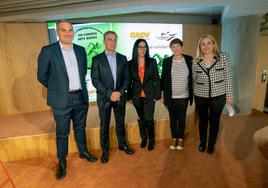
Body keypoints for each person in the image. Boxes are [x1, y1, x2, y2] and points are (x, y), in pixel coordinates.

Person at [37, 20, 97, 180]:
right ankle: (62, 162)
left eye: (70, 30)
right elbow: (41, 76)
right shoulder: (48, 51)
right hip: (61, 100)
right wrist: (58, 88)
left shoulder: (81, 50)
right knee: (62, 133)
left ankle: (83, 151)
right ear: (57, 32)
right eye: (64, 30)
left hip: (80, 97)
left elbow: (83, 71)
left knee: (80, 128)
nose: (68, 33)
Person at [91, 31, 134, 164]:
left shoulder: (122, 58)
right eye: (109, 39)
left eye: (115, 40)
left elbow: (127, 78)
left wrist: (119, 92)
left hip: (120, 97)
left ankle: (123, 144)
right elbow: (95, 80)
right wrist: (110, 93)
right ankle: (105, 150)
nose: (112, 42)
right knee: (104, 126)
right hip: (104, 98)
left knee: (120, 123)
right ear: (104, 41)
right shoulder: (96, 59)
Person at [192, 34, 233, 154]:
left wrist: (229, 95)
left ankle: (211, 144)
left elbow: (228, 77)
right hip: (200, 96)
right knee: (203, 120)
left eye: (209, 43)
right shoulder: (195, 61)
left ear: (214, 44)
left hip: (218, 96)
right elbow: (193, 78)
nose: (206, 46)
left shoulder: (223, 57)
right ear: (200, 46)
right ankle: (203, 142)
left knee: (215, 120)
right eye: (203, 44)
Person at [128, 39, 161, 151]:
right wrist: (129, 97)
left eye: (144, 47)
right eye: (140, 47)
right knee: (141, 119)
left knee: (149, 119)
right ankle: (144, 138)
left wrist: (157, 94)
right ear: (136, 49)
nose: (142, 49)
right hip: (136, 96)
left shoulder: (152, 61)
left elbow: (157, 78)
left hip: (150, 95)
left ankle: (151, 140)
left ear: (147, 49)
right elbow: (128, 82)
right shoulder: (130, 63)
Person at [161, 38, 193, 151]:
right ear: (171, 49)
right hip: (171, 97)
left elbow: (193, 77)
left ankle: (180, 138)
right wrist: (163, 95)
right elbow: (163, 78)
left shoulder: (189, 59)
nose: (176, 48)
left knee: (182, 119)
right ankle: (174, 137)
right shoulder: (167, 61)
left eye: (178, 46)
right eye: (173, 47)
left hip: (183, 96)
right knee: (173, 119)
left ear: (181, 47)